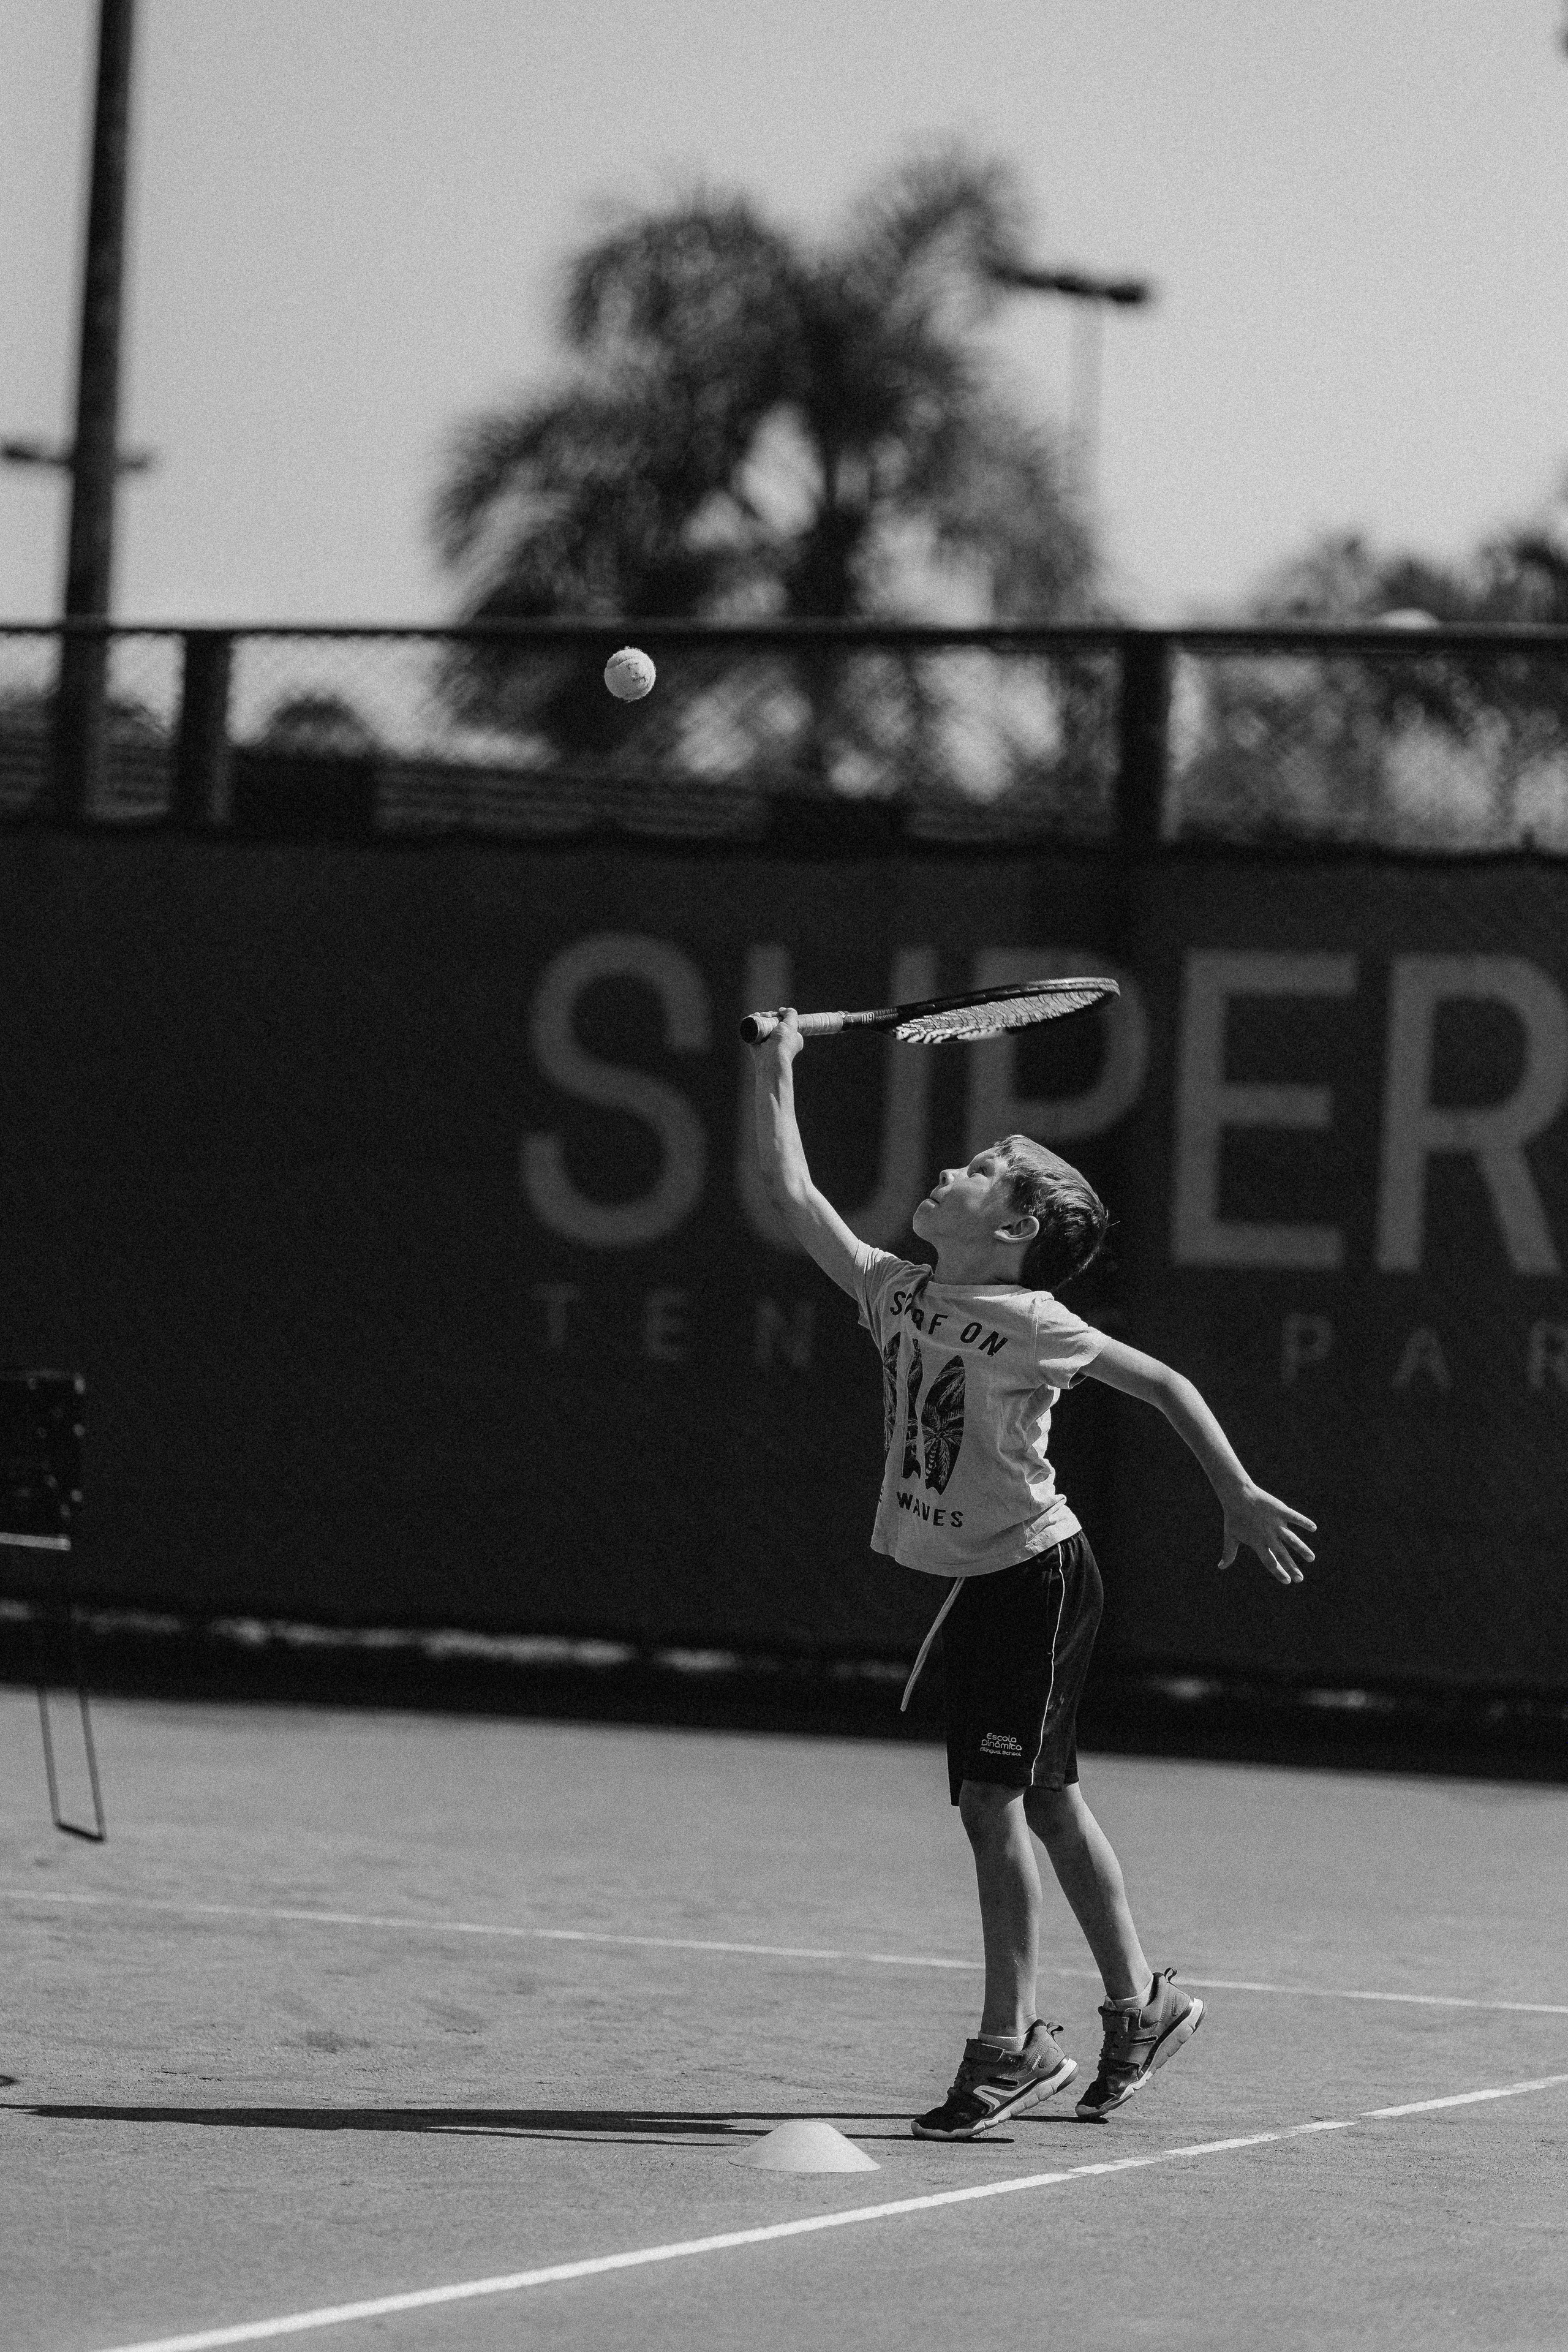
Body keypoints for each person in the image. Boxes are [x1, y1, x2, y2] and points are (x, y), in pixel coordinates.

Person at [749, 1009, 1316, 2137]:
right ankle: (1144, 2005)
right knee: (1044, 1801)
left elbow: (1162, 1382)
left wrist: (1237, 1491)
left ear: (1016, 1228)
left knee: (991, 1803)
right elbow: (793, 1196)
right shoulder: (897, 1290)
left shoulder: (1037, 1324)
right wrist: (774, 1070)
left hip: (1037, 1575)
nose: (949, 1173)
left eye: (977, 1173)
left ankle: (1010, 2047)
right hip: (986, 1584)